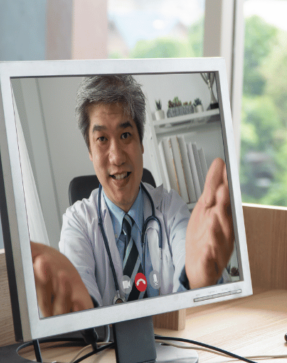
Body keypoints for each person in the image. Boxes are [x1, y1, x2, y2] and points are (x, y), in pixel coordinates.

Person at [30, 75, 234, 317]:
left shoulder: (169, 206)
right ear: (90, 152)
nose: (116, 157)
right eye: (102, 139)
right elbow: (81, 290)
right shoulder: (78, 221)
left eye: (125, 135)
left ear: (141, 143)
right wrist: (79, 310)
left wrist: (197, 280)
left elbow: (188, 260)